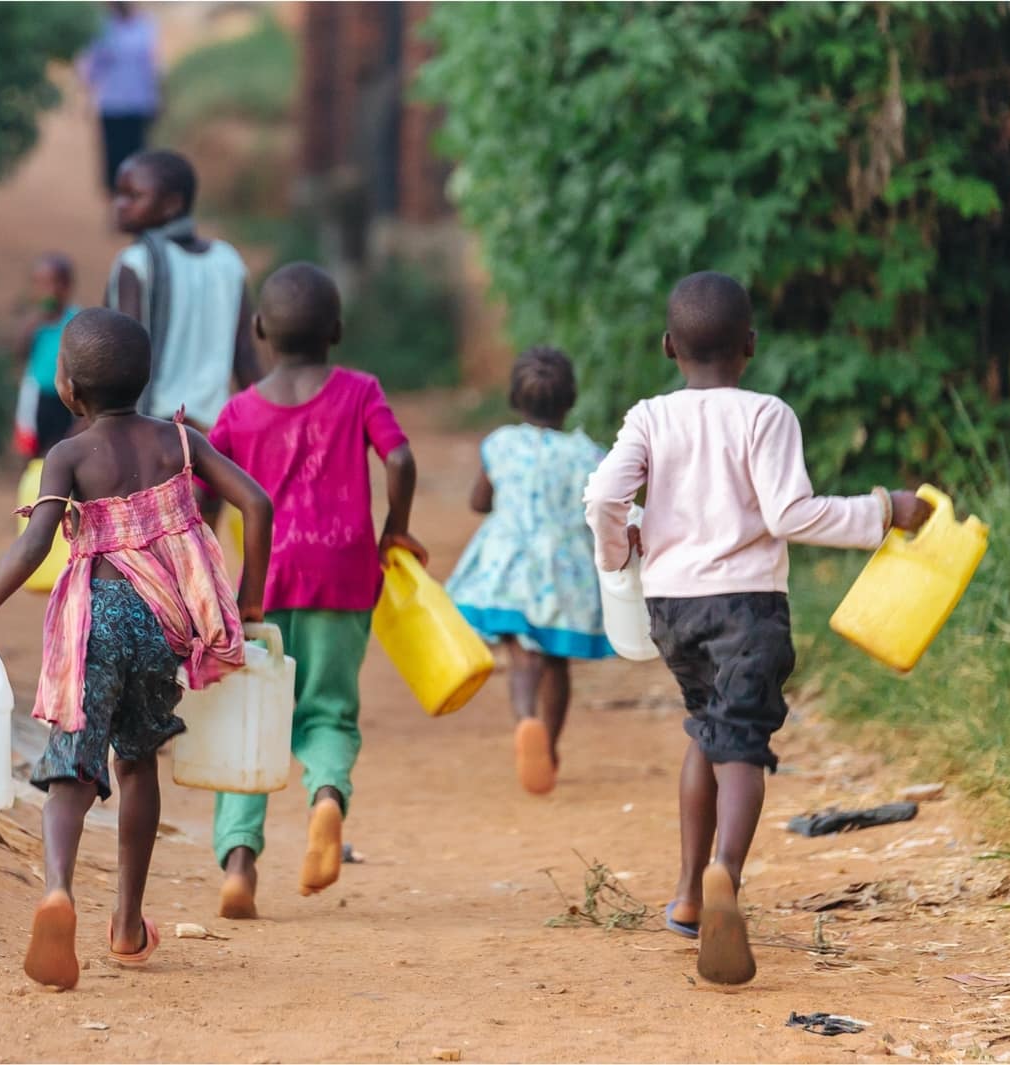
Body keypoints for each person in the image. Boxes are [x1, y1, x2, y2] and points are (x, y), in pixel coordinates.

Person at [582, 272, 932, 986]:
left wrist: (619, 553)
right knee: (742, 741)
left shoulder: (649, 416)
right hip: (746, 606)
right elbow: (790, 515)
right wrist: (884, 509)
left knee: (705, 728)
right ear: (750, 344)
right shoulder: (767, 415)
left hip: (673, 609)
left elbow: (602, 495)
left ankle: (685, 892)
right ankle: (724, 877)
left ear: (667, 346)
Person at [0, 308, 272, 990]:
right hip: (162, 624)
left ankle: (59, 889)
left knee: (71, 765)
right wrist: (247, 601)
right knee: (137, 763)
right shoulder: (177, 441)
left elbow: (35, 544)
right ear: (146, 377)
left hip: (94, 621)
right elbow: (257, 504)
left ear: (67, 388)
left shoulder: (65, 455)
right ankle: (127, 921)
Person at [205, 263, 423, 919]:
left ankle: (239, 863)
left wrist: (206, 565)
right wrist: (396, 529)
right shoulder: (359, 390)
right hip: (344, 575)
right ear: (336, 330)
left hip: (260, 586)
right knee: (327, 711)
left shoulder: (239, 412)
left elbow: (205, 491)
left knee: (249, 723)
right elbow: (401, 459)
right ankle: (326, 797)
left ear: (259, 330)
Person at [446, 346, 612, 797]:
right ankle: (550, 748)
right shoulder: (587, 455)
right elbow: (602, 511)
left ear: (514, 399)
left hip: (509, 566)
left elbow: (480, 500)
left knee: (523, 653)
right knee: (556, 659)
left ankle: (526, 721)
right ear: (571, 399)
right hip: (565, 573)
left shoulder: (502, 444)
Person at [108, 149, 261, 433]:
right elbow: (245, 357)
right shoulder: (227, 261)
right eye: (119, 193)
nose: (120, 204)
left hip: (153, 429)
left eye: (133, 196)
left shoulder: (135, 264)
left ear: (172, 204)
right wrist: (268, 421)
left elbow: (121, 355)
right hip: (213, 434)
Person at [79, 2, 162, 196]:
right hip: (112, 104)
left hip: (140, 104)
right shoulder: (103, 27)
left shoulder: (146, 25)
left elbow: (152, 65)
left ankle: (137, 203)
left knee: (139, 156)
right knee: (115, 157)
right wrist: (87, 93)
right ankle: (119, 205)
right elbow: (91, 66)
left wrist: (158, 97)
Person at [12, 254, 79, 459]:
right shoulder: (34, 321)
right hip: (36, 394)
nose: (45, 291)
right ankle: (27, 487)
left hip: (66, 396)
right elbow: (18, 352)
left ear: (66, 287)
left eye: (50, 284)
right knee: (29, 447)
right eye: (39, 284)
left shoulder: (76, 320)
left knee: (60, 446)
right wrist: (33, 324)